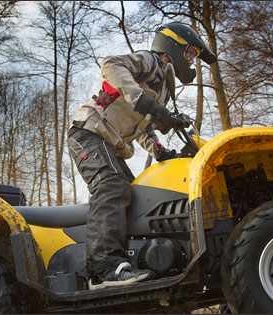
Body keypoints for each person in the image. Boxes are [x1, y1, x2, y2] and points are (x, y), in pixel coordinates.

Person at [67, 23, 216, 290]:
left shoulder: (162, 88)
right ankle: (102, 269)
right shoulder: (151, 61)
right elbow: (111, 65)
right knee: (112, 185)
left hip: (108, 143)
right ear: (172, 48)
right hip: (88, 132)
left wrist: (159, 150)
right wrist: (144, 101)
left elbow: (143, 126)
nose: (191, 60)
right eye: (190, 53)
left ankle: (127, 262)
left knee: (136, 195)